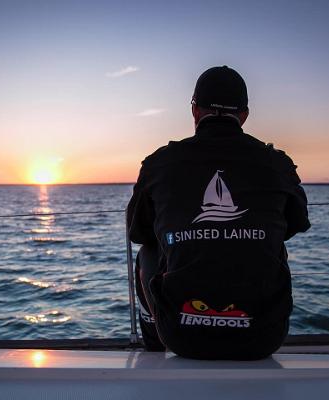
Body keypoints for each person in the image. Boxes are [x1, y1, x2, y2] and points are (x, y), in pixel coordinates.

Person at [126, 66, 310, 360]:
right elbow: (296, 223)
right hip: (262, 338)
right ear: (245, 115)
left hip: (181, 337)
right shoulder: (276, 164)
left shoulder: (160, 163)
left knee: (148, 251)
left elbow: (138, 232)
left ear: (195, 111)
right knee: (275, 246)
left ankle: (153, 344)